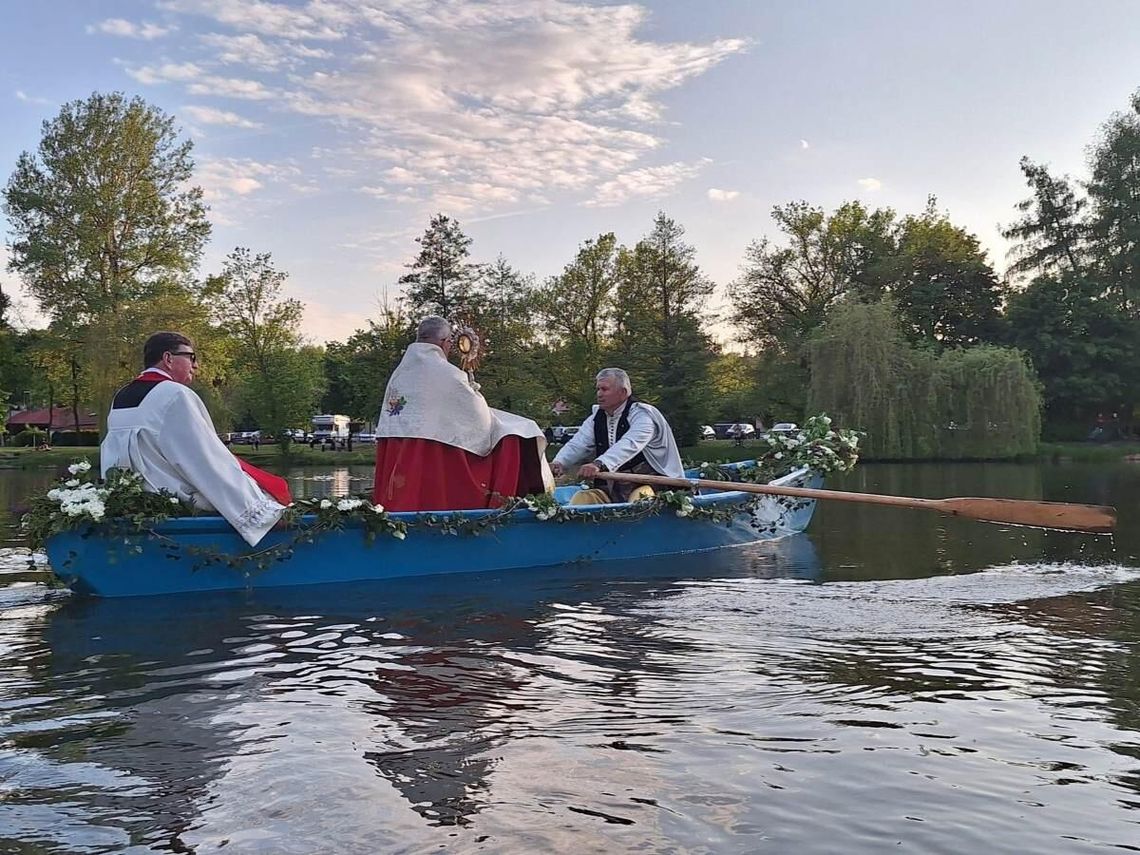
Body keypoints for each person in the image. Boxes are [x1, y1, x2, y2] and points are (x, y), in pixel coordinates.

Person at [100, 331, 291, 547]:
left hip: (135, 504)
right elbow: (206, 459)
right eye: (191, 357)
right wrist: (260, 513)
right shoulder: (175, 394)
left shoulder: (121, 395)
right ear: (168, 359)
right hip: (176, 506)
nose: (196, 365)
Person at [372, 316, 554, 511]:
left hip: (399, 450)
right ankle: (500, 504)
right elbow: (479, 416)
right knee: (517, 431)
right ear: (445, 342)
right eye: (450, 341)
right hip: (435, 452)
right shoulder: (447, 373)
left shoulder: (399, 373)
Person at [550, 368, 684, 504]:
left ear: (623, 392)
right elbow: (578, 443)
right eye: (598, 389)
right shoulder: (596, 417)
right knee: (583, 498)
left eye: (604, 389)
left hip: (652, 486)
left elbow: (630, 443)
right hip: (612, 488)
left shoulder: (643, 416)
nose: (599, 394)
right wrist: (559, 462)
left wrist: (599, 464)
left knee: (639, 498)